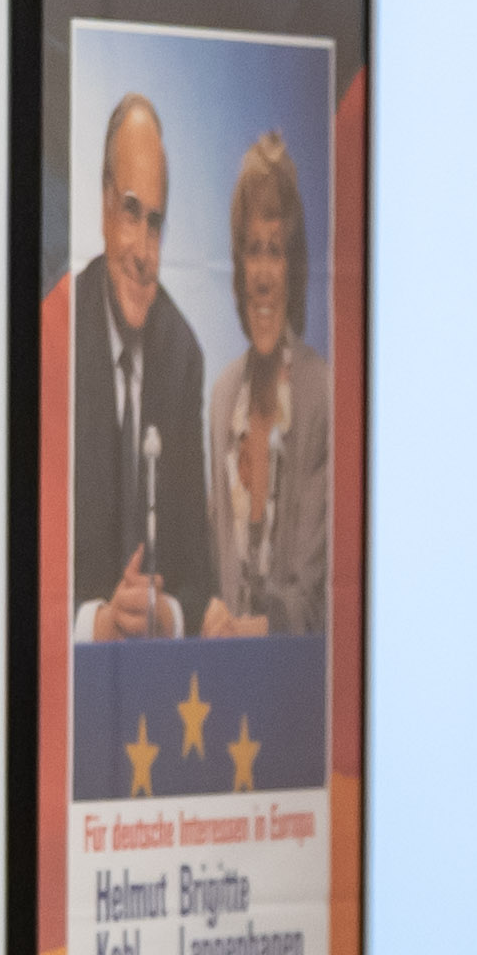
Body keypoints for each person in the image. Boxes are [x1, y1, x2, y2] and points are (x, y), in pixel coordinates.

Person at [68, 92, 211, 639]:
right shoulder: (60, 328)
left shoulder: (182, 357)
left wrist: (165, 612)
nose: (144, 251)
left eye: (156, 223)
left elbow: (197, 574)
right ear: (105, 204)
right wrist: (94, 623)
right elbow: (24, 546)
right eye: (131, 212)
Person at [198, 127, 330, 639]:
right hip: (224, 678)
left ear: (294, 269)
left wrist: (248, 631)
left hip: (296, 677)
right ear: (238, 268)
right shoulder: (222, 399)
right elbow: (213, 579)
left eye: (276, 251)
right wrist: (211, 613)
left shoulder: (322, 397)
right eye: (253, 250)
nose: (263, 275)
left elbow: (315, 604)